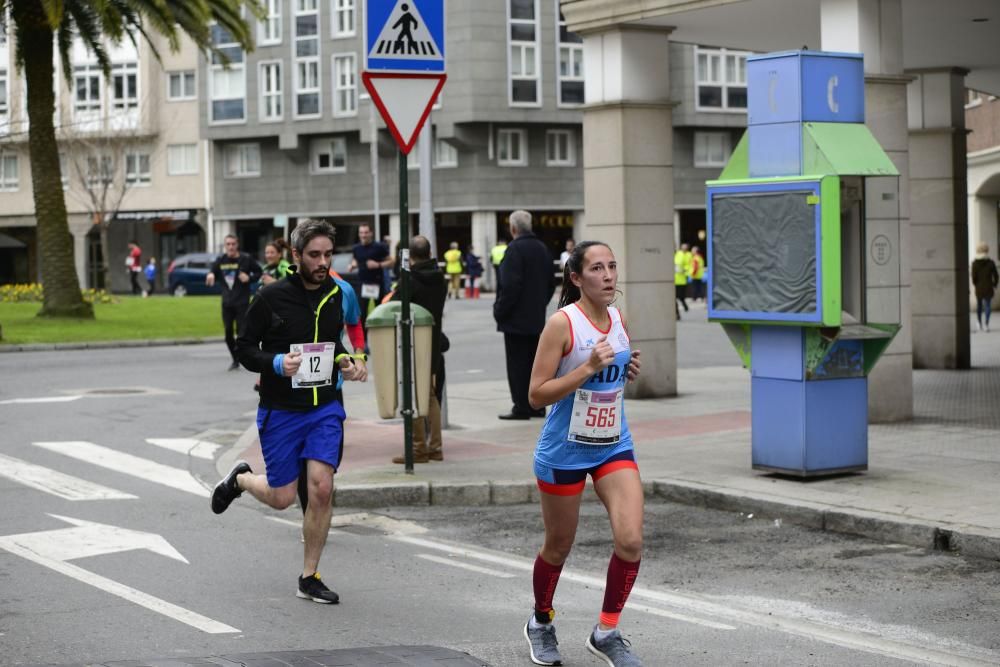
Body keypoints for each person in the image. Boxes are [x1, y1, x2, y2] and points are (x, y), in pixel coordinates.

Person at [212, 219, 367, 606]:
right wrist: (278, 363)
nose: (322, 262)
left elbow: (334, 341)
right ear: (296, 255)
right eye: (314, 255)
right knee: (282, 497)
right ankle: (243, 481)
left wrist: (350, 361)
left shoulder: (336, 293)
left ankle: (309, 575)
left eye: (328, 254)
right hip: (281, 409)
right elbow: (245, 349)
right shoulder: (270, 297)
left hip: (324, 408)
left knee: (322, 487)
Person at [523, 240, 644, 667]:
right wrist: (588, 368)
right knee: (558, 544)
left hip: (613, 445)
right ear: (576, 278)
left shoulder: (617, 318)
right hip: (564, 450)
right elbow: (536, 394)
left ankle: (606, 631)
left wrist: (622, 368)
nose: (608, 275)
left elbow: (612, 372)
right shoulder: (562, 324)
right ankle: (541, 621)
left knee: (630, 540)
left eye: (612, 266)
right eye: (597, 268)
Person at [390, 235, 448, 463]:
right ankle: (435, 447)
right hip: (433, 342)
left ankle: (418, 449)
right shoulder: (440, 278)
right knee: (430, 395)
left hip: (412, 341)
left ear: (410, 256)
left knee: (412, 394)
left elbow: (393, 305)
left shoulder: (410, 279)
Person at [493, 210, 555, 420]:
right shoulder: (542, 248)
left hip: (515, 320)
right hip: (536, 317)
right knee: (535, 364)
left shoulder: (514, 250)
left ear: (513, 229)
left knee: (517, 364)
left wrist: (499, 311)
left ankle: (521, 406)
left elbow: (509, 286)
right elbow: (550, 284)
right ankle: (537, 406)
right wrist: (539, 305)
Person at [206, 235, 262, 371]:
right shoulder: (221, 260)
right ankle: (235, 358)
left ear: (237, 245)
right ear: (225, 246)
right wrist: (211, 275)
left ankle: (244, 358)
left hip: (242, 302)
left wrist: (249, 278)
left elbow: (259, 272)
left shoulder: (245, 259)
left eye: (233, 244)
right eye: (228, 244)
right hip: (227, 303)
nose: (230, 247)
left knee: (241, 332)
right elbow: (212, 272)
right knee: (228, 332)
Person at [348, 224, 392, 332]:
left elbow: (391, 261)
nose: (363, 235)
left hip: (377, 283)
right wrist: (352, 265)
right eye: (361, 232)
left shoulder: (379, 247)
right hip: (363, 284)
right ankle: (364, 340)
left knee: (379, 311)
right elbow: (355, 260)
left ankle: (380, 335)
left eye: (366, 232)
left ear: (371, 233)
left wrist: (378, 265)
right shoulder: (356, 248)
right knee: (362, 312)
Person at [971, 242, 998, 333]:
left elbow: (973, 277)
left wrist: (976, 284)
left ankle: (979, 323)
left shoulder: (974, 263)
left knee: (979, 306)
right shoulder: (991, 262)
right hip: (988, 287)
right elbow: (996, 275)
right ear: (987, 250)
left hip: (979, 287)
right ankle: (986, 324)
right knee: (988, 306)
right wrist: (994, 284)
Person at [673, 243, 690, 318]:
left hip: (681, 280)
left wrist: (684, 270)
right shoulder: (671, 255)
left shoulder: (683, 255)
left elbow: (688, 265)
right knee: (674, 298)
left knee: (680, 297)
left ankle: (683, 307)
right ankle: (677, 314)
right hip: (672, 281)